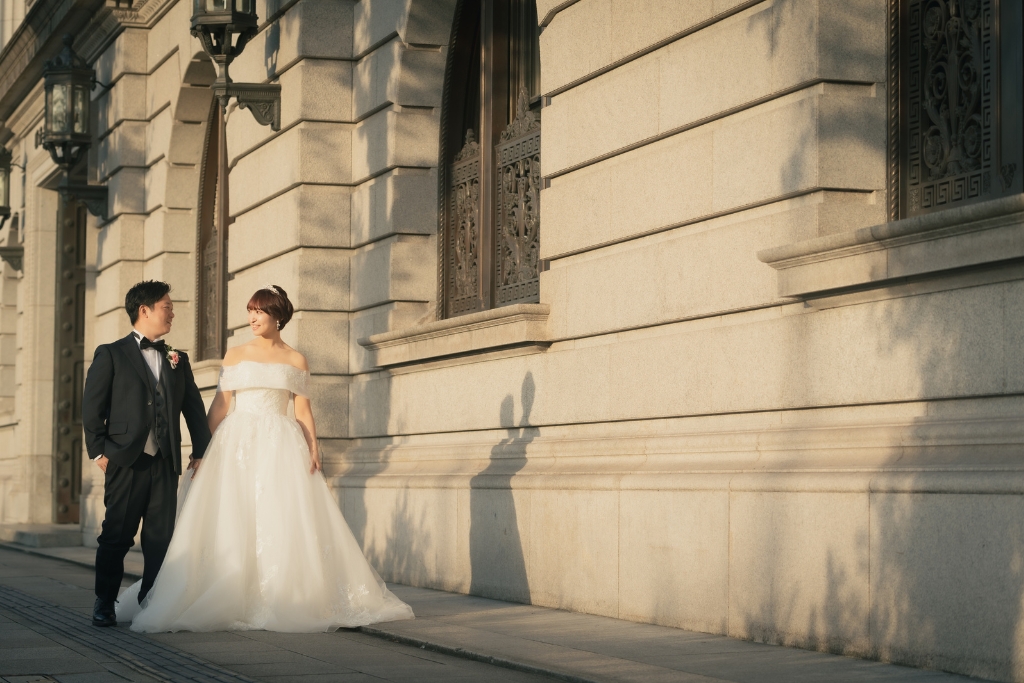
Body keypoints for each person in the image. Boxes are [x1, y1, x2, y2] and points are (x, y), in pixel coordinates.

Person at [116, 285, 413, 632]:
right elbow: (221, 404)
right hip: (236, 443)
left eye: (259, 311)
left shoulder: (296, 358)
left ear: (278, 316)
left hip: (280, 443)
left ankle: (277, 593)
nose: (253, 318)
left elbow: (302, 408)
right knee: (234, 513)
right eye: (250, 311)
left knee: (278, 515)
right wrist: (202, 448)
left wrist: (314, 447)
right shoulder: (235, 353)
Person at [83, 281, 212, 627]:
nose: (172, 312)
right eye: (167, 306)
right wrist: (98, 452)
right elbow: (92, 407)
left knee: (160, 538)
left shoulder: (177, 359)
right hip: (125, 459)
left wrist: (201, 450)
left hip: (165, 460)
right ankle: (104, 601)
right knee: (117, 535)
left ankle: (152, 601)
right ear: (145, 310)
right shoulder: (110, 353)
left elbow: (194, 409)